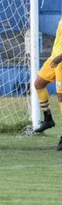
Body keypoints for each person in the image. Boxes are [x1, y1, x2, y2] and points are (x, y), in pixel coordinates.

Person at [34, 18, 62, 150]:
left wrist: (60, 57)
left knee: (61, 97)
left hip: (60, 60)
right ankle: (48, 119)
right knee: (39, 83)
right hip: (54, 58)